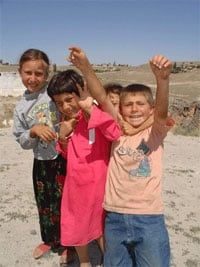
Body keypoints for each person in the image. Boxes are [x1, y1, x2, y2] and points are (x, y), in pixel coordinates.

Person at [67, 46, 174, 267]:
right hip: (114, 217)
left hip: (149, 218)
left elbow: (162, 113)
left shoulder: (154, 132)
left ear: (150, 108)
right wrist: (86, 67)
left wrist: (162, 81)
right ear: (121, 110)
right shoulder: (115, 131)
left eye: (141, 104)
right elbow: (102, 98)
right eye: (128, 104)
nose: (134, 109)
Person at [47, 69, 121, 267]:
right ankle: (85, 261)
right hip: (75, 186)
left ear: (82, 93)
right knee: (76, 225)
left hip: (99, 185)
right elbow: (67, 155)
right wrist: (62, 137)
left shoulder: (96, 113)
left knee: (100, 227)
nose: (65, 106)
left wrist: (90, 110)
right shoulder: (66, 122)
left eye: (69, 99)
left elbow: (114, 133)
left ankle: (111, 261)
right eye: (59, 103)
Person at [12, 48, 75, 265]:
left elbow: (74, 106)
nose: (33, 78)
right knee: (45, 204)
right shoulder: (20, 107)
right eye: (28, 72)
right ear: (20, 72)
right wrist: (33, 131)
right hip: (41, 162)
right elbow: (21, 140)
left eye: (39, 73)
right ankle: (49, 240)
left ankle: (70, 243)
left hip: (65, 159)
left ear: (46, 74)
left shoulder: (54, 93)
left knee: (67, 202)